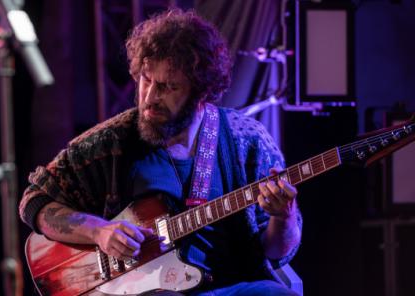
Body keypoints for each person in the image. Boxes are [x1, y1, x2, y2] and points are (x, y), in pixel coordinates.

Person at [19, 8, 301, 296]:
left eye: (168, 86)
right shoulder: (111, 142)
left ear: (201, 91)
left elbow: (277, 252)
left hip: (228, 287)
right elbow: (35, 201)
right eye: (146, 79)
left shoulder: (248, 141)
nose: (150, 97)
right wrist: (98, 231)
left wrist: (284, 217)